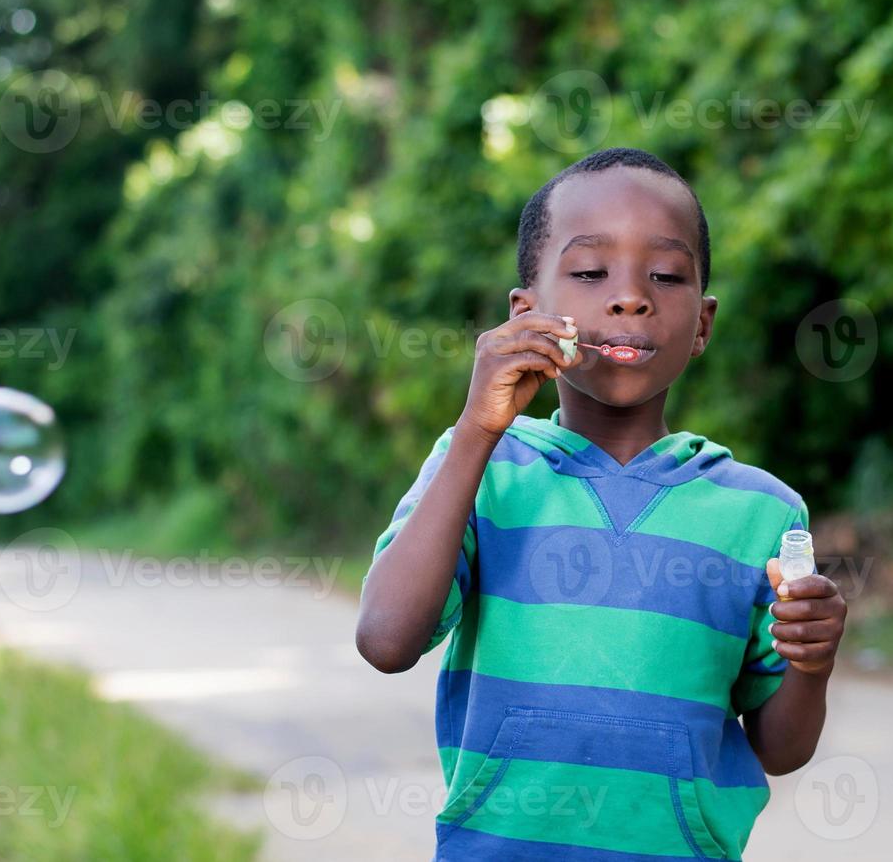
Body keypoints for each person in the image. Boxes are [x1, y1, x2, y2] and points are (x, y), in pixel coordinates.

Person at [356, 147, 848, 860]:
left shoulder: (761, 513)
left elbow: (781, 749)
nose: (629, 297)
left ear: (703, 322)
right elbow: (387, 641)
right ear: (527, 314)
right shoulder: (482, 471)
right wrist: (475, 431)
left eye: (666, 276)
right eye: (590, 273)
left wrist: (813, 661)